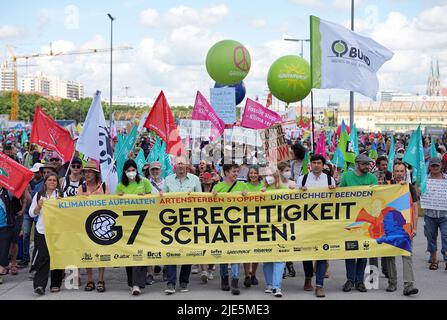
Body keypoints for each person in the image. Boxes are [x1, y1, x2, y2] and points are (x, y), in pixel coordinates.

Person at [297, 154, 336, 298]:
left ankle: (319, 285)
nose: (316, 165)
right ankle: (308, 278)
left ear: (323, 165)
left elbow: (335, 201)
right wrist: (299, 192)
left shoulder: (329, 179)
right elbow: (293, 199)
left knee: (322, 253)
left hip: (323, 222)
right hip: (306, 221)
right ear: (310, 165)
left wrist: (333, 190)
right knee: (307, 252)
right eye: (314, 162)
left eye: (319, 163)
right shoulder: (303, 179)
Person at [162, 156, 202, 295]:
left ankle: (184, 281)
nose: (180, 165)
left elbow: (201, 200)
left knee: (187, 251)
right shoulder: (168, 180)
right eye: (178, 163)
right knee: (171, 251)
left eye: (182, 163)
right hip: (171, 221)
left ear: (187, 165)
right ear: (175, 165)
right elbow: (162, 199)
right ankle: (171, 283)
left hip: (189, 221)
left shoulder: (195, 180)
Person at [340, 154, 378, 293]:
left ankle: (359, 280)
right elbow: (339, 194)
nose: (368, 167)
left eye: (369, 164)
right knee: (350, 251)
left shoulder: (372, 178)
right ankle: (350, 279)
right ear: (357, 164)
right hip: (350, 219)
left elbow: (377, 196)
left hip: (366, 220)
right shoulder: (347, 177)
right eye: (365, 164)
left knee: (363, 250)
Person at [116, 159, 152, 296]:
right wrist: (118, 197)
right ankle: (132, 282)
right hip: (126, 223)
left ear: (136, 170)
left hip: (143, 222)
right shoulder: (120, 186)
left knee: (140, 252)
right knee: (129, 252)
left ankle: (137, 283)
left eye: (133, 170)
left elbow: (153, 199)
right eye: (128, 170)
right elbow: (115, 204)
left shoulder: (144, 182)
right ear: (124, 172)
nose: (131, 172)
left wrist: (146, 196)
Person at [382, 161, 419, 296]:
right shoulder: (386, 186)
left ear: (405, 173)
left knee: (407, 255)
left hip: (405, 228)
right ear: (393, 172)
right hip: (390, 229)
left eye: (401, 171)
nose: (399, 174)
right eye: (397, 171)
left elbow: (414, 209)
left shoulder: (409, 188)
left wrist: (414, 228)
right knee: (390, 256)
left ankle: (409, 285)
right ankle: (392, 282)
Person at [212, 164, 247, 295]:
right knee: (223, 253)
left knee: (236, 253)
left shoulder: (242, 186)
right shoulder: (218, 187)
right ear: (226, 172)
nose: (236, 173)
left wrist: (246, 195)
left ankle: (235, 281)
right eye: (233, 171)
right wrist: (212, 195)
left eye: (237, 171)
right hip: (222, 225)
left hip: (237, 225)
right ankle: (224, 278)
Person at [77, 160, 110, 293]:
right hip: (86, 223)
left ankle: (101, 279)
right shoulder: (81, 188)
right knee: (88, 252)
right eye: (86, 172)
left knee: (101, 252)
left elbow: (108, 202)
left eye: (90, 172)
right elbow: (77, 206)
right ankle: (90, 279)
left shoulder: (103, 187)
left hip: (101, 223)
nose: (87, 174)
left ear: (96, 173)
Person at [29, 174, 64, 295]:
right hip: (42, 230)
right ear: (45, 182)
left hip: (58, 231)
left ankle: (55, 283)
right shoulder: (39, 195)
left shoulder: (61, 195)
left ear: (57, 183)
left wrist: (62, 205)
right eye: (49, 180)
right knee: (43, 257)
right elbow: (31, 214)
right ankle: (39, 285)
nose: (52, 182)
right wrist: (38, 206)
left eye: (54, 180)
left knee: (56, 257)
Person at [261, 166, 287, 298]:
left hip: (281, 227)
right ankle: (269, 284)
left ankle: (277, 287)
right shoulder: (262, 189)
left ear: (276, 175)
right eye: (266, 175)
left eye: (270, 174)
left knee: (279, 257)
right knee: (267, 258)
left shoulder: (284, 189)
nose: (268, 177)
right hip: (265, 228)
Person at [424, 157, 447, 272]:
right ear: (429, 167)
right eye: (432, 165)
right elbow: (419, 194)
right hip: (429, 215)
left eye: (437, 165)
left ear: (441, 166)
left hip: (445, 215)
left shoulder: (446, 179)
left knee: (446, 236)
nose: (434, 167)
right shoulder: (425, 180)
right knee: (431, 237)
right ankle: (434, 260)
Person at [242, 166, 263, 287]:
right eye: (251, 173)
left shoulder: (263, 186)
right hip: (246, 221)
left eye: (255, 173)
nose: (253, 175)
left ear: (258, 174)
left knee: (257, 249)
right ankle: (246, 275)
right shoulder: (243, 186)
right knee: (246, 249)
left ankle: (253, 274)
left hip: (260, 221)